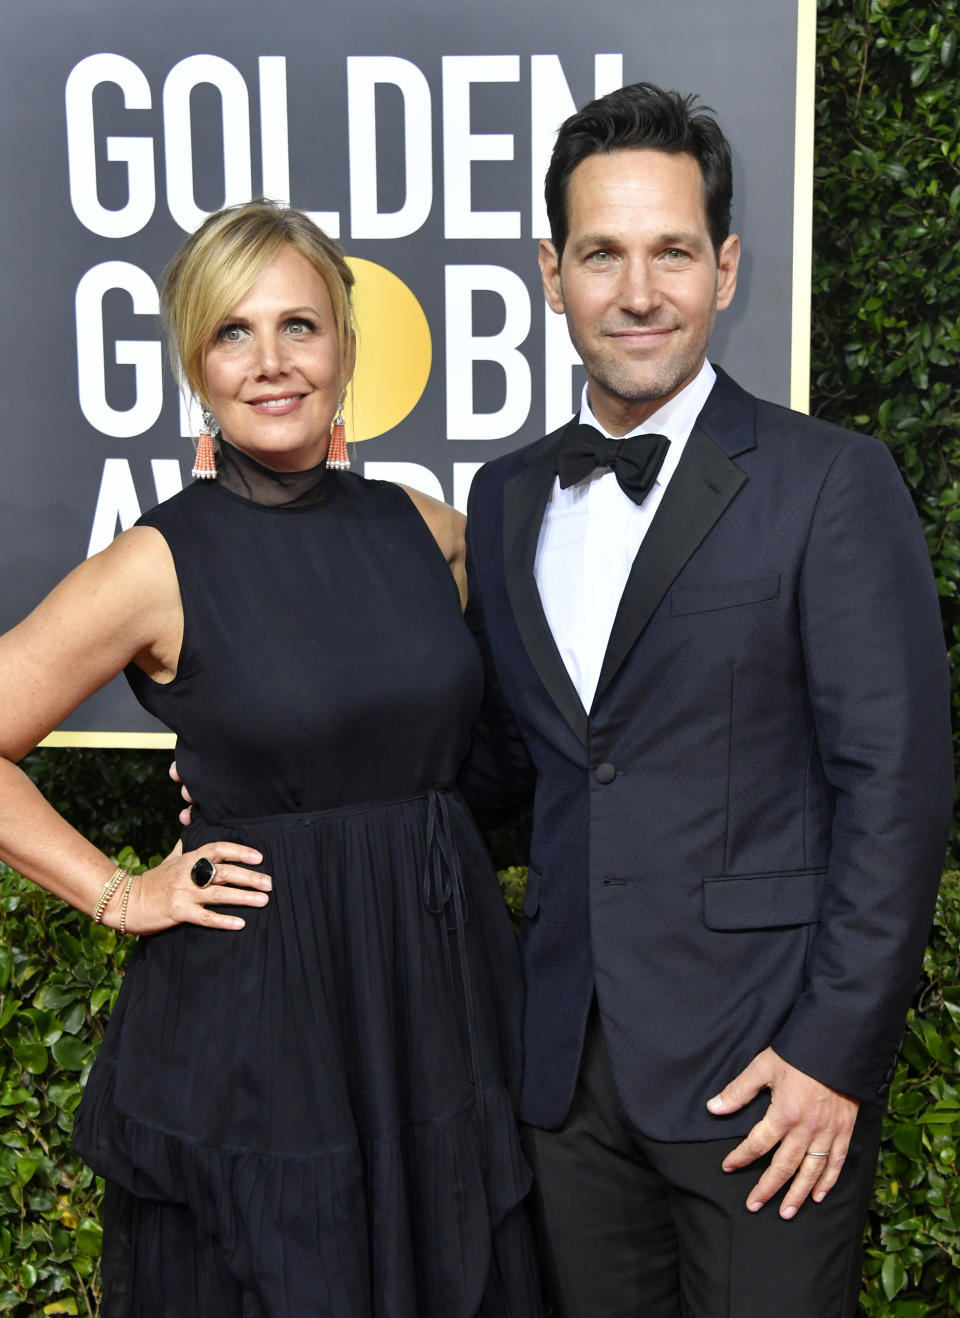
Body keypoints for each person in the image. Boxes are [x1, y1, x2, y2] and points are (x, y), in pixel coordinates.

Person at [0, 200, 541, 1317]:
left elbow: (515, 748)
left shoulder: (428, 530)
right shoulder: (157, 564)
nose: (271, 362)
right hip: (265, 1025)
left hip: (437, 997)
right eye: (232, 333)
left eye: (300, 325)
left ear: (347, 343)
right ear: (195, 363)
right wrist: (115, 889)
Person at [464, 82, 954, 1317]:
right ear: (550, 272)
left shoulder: (831, 482)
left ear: (726, 268)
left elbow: (895, 788)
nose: (638, 291)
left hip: (764, 1081)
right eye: (602, 255)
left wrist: (834, 1056)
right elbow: (503, 766)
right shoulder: (508, 495)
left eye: (672, 251)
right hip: (567, 1088)